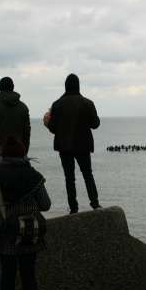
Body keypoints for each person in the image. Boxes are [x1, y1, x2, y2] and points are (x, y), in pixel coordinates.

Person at [0, 136, 51, 290]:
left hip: (6, 232)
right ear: (23, 154)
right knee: (29, 276)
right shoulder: (34, 175)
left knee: (7, 277)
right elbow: (45, 204)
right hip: (30, 233)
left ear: (3, 154)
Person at [45, 73, 101, 214]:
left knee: (69, 178)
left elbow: (53, 128)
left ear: (65, 86)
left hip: (64, 147)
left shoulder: (57, 105)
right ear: (78, 86)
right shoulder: (88, 103)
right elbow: (95, 124)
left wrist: (47, 121)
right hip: (83, 145)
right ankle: (95, 204)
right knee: (87, 174)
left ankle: (73, 208)